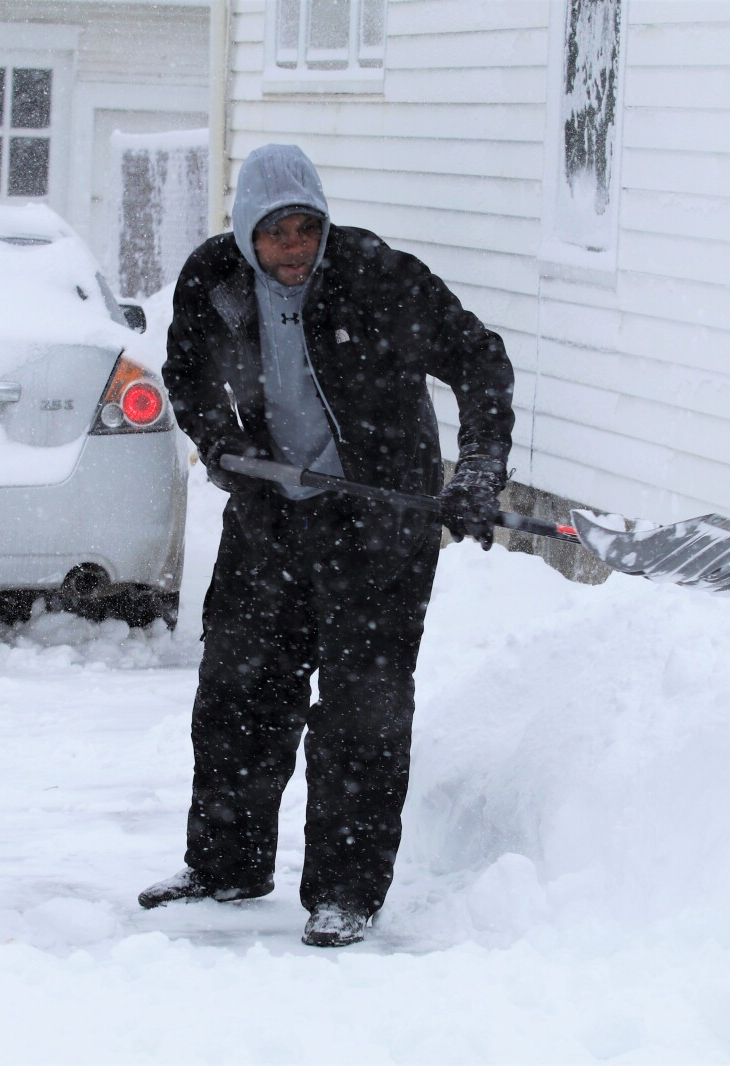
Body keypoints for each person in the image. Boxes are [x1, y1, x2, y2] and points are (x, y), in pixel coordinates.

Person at [140, 144, 514, 947]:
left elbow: (481, 358)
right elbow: (187, 375)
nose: (297, 247)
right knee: (239, 693)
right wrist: (224, 449)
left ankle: (344, 893)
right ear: (247, 233)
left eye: (309, 228)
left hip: (377, 533)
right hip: (270, 519)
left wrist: (478, 471)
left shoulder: (375, 277)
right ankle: (227, 864)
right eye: (279, 232)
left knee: (361, 715)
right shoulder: (213, 281)